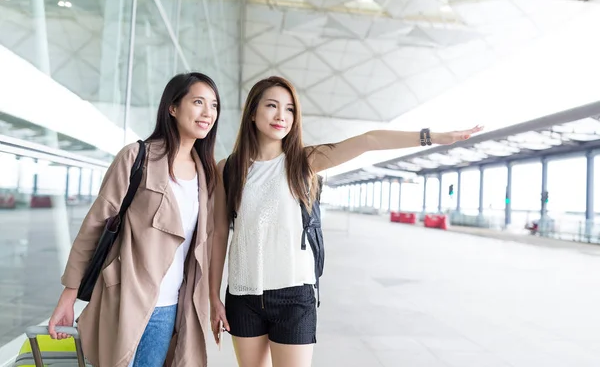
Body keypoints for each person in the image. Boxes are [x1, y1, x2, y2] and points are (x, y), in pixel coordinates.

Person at [208, 75, 483, 367]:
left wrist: (434, 137)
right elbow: (219, 234)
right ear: (252, 112)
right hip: (243, 297)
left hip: (293, 297)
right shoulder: (229, 168)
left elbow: (369, 141)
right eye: (272, 106)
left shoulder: (303, 161)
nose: (281, 116)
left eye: (289, 109)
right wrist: (213, 296)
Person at [48, 72, 221, 367]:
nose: (208, 113)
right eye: (198, 102)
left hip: (169, 308)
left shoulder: (206, 175)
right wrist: (69, 294)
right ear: (173, 107)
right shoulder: (136, 157)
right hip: (125, 299)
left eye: (214, 105)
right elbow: (94, 226)